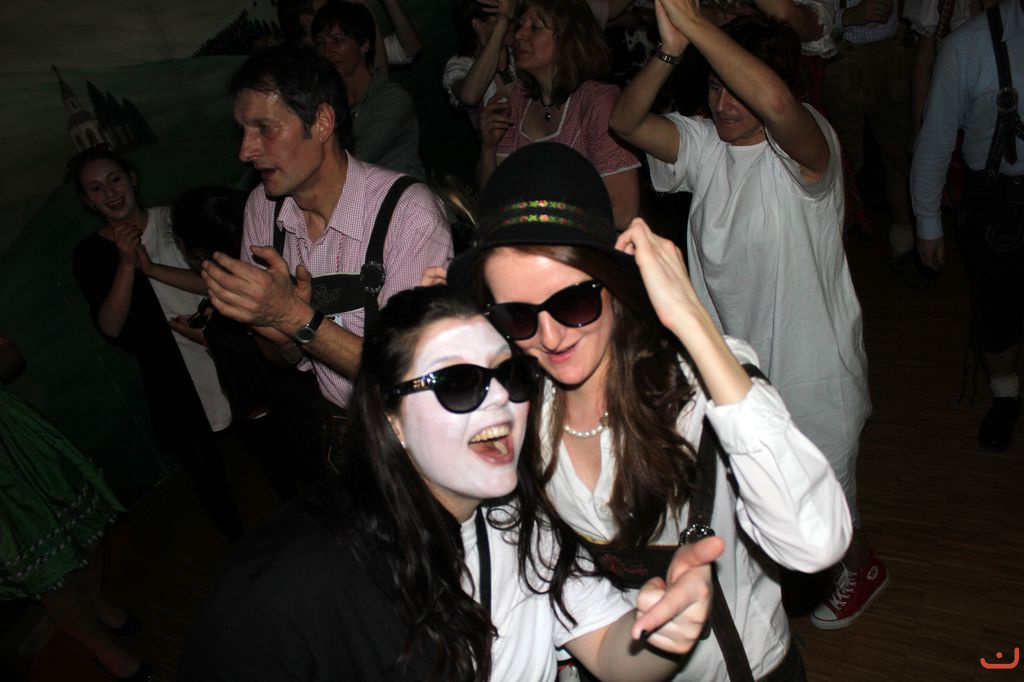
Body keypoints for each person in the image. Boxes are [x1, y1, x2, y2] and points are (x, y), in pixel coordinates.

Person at [443, 142, 851, 679]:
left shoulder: (697, 385)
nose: (550, 336)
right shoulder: (523, 410)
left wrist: (692, 320)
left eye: (573, 302)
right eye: (517, 316)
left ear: (612, 284)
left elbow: (815, 542)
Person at [177, 284, 724, 681]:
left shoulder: (520, 523)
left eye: (509, 374)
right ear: (390, 416)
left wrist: (659, 633)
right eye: (459, 382)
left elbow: (607, 651)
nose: (500, 399)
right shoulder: (288, 585)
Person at [609, 1, 884, 631]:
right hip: (737, 368)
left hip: (813, 365)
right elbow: (627, 121)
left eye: (737, 87)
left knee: (825, 500)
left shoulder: (808, 147)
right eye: (713, 86)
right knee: (749, 490)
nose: (723, 103)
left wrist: (697, 22)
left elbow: (780, 107)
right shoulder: (705, 145)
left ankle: (862, 567)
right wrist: (673, 46)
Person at [203, 44, 451, 422]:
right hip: (339, 426)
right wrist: (278, 331)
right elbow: (282, 358)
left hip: (419, 423)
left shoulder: (408, 213)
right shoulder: (262, 208)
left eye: (264, 128)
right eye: (243, 131)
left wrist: (292, 316)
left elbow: (408, 373)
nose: (245, 151)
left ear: (322, 122)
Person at [70, 146, 244, 543]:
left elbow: (221, 282)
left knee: (269, 443)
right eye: (95, 188)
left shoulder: (176, 219)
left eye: (114, 179)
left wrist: (152, 267)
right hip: (169, 375)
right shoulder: (90, 255)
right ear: (87, 200)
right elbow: (110, 327)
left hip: (228, 349)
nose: (110, 192)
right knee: (207, 477)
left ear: (132, 177)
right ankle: (243, 549)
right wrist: (127, 263)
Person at [0, 335, 151, 682]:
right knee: (50, 572)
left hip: (14, 438)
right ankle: (100, 647)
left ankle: (96, 602)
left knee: (88, 535)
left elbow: (10, 353)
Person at [910, 0, 1024, 452]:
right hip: (998, 202)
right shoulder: (967, 46)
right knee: (997, 313)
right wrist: (927, 222)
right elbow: (935, 141)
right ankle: (1005, 394)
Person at [478, 0, 641, 230]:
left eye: (535, 28)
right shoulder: (518, 100)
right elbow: (492, 201)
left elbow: (623, 212)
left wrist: (536, 218)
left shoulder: (598, 102)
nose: (519, 35)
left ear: (568, 40)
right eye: (520, 25)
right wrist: (488, 149)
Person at [313, 0, 425, 179]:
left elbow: (352, 161)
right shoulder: (327, 105)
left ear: (364, 44)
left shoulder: (393, 99)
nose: (327, 51)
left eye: (337, 40)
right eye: (321, 43)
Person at [444, 0, 517, 126]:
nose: (512, 23)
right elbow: (469, 96)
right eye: (499, 16)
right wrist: (502, 23)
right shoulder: (460, 64)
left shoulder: (520, 51)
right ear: (479, 25)